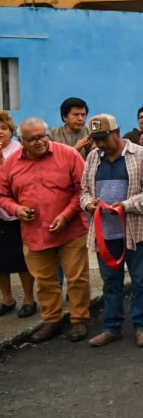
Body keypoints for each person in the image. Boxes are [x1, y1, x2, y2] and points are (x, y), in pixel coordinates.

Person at [0, 118, 91, 343]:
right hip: (34, 232)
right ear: (22, 141)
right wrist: (16, 209)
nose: (39, 141)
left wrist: (65, 215)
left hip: (71, 229)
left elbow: (83, 189)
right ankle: (52, 319)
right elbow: (3, 194)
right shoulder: (11, 163)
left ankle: (79, 319)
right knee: (45, 280)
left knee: (76, 277)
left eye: (42, 136)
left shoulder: (68, 154)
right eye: (32, 139)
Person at [80, 114, 143, 347]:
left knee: (141, 281)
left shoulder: (141, 155)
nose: (100, 144)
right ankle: (112, 327)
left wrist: (125, 206)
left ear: (116, 132)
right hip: (105, 233)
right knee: (111, 282)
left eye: (104, 138)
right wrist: (88, 204)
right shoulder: (93, 157)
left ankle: (142, 326)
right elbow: (84, 190)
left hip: (136, 231)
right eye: (96, 139)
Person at [0, 111, 36, 318]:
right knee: (1, 261)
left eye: (3, 128)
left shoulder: (19, 150)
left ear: (11, 131)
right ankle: (7, 299)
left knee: (22, 259)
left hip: (17, 213)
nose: (0, 132)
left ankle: (29, 299)